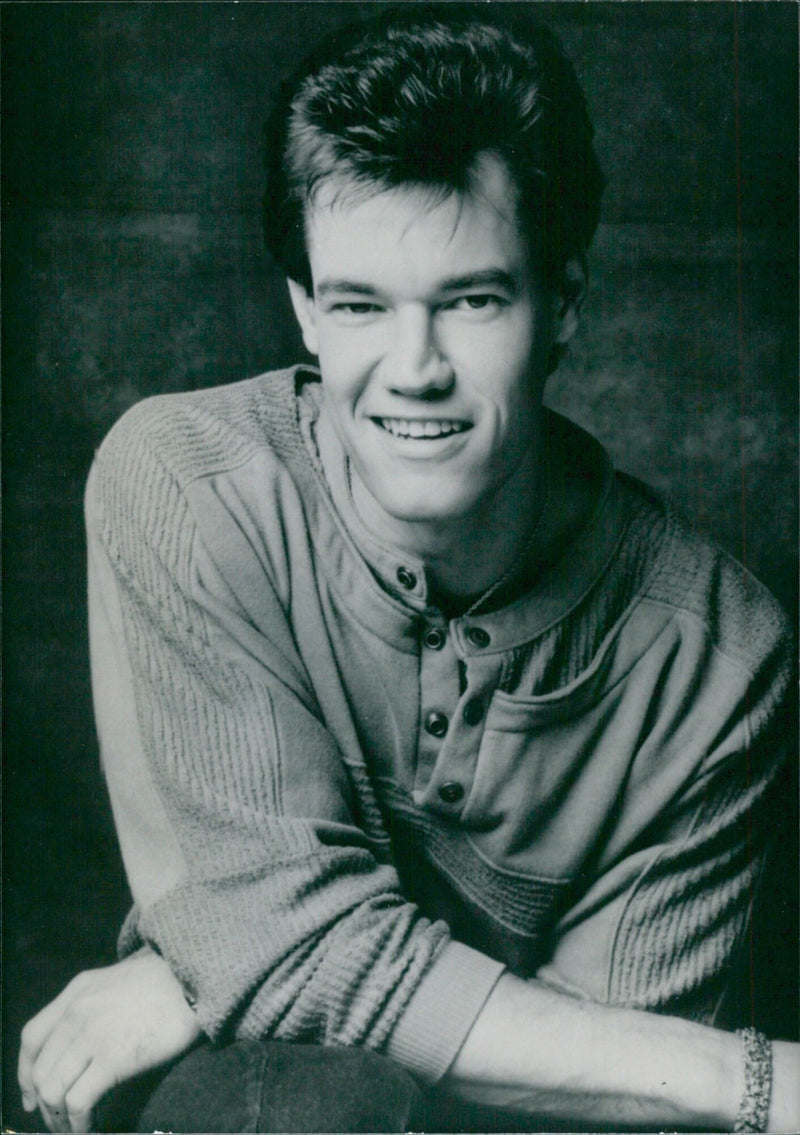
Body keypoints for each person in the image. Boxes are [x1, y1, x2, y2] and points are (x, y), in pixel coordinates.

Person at [17, 6, 799, 1133]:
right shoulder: (182, 483)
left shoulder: (724, 659)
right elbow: (660, 1067)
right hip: (257, 1114)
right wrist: (758, 1080)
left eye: (471, 299)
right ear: (305, 312)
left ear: (563, 302)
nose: (412, 369)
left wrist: (236, 962)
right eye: (358, 306)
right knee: (302, 1097)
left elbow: (610, 1098)